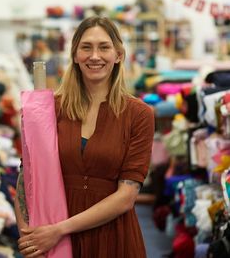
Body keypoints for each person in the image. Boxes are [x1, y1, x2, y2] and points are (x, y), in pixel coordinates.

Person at [14, 16, 155, 258]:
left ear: (118, 54)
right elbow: (27, 176)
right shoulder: (49, 109)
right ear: (75, 55)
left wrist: (59, 230)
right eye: (86, 47)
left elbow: (125, 197)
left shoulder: (138, 114)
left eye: (104, 47)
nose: (95, 56)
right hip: (53, 239)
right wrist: (29, 235)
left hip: (113, 238)